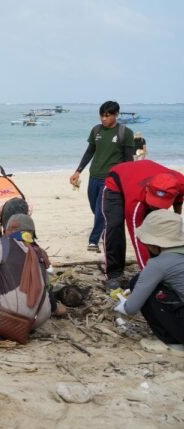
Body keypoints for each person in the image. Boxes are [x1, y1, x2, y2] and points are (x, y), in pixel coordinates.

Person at [102, 160, 184, 289]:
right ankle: (113, 273)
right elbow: (137, 238)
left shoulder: (179, 181)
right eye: (153, 203)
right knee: (115, 226)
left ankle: (158, 263)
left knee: (156, 224)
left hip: (146, 177)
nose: (154, 206)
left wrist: (177, 215)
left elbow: (179, 198)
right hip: (116, 183)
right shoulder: (137, 201)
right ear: (147, 190)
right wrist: (150, 275)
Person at [114, 210, 184, 354]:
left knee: (140, 283)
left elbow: (130, 309)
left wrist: (121, 304)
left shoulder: (158, 264)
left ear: (153, 242)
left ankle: (172, 342)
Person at [69, 101, 135, 252]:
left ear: (116, 115)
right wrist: (78, 171)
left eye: (107, 115)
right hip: (94, 176)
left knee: (101, 209)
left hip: (111, 179)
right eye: (101, 115)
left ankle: (94, 240)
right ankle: (106, 229)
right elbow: (89, 152)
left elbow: (129, 160)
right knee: (95, 207)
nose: (103, 119)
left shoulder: (125, 133)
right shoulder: (96, 130)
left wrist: (127, 182)